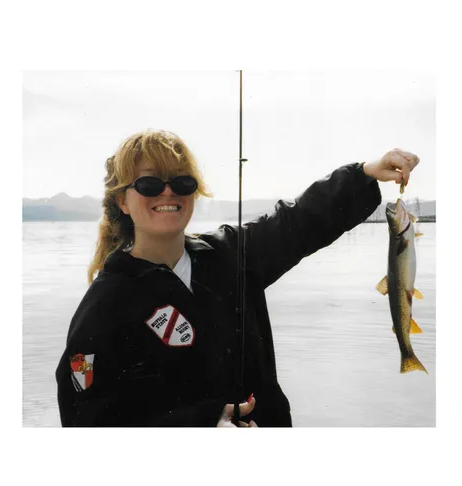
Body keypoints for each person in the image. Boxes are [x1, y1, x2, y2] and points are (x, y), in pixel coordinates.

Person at [55, 129, 417, 426]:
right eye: (150, 184)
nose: (169, 192)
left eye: (182, 181)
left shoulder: (230, 254)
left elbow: (298, 222)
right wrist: (204, 422)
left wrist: (365, 173)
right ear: (122, 200)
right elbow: (87, 418)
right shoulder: (104, 306)